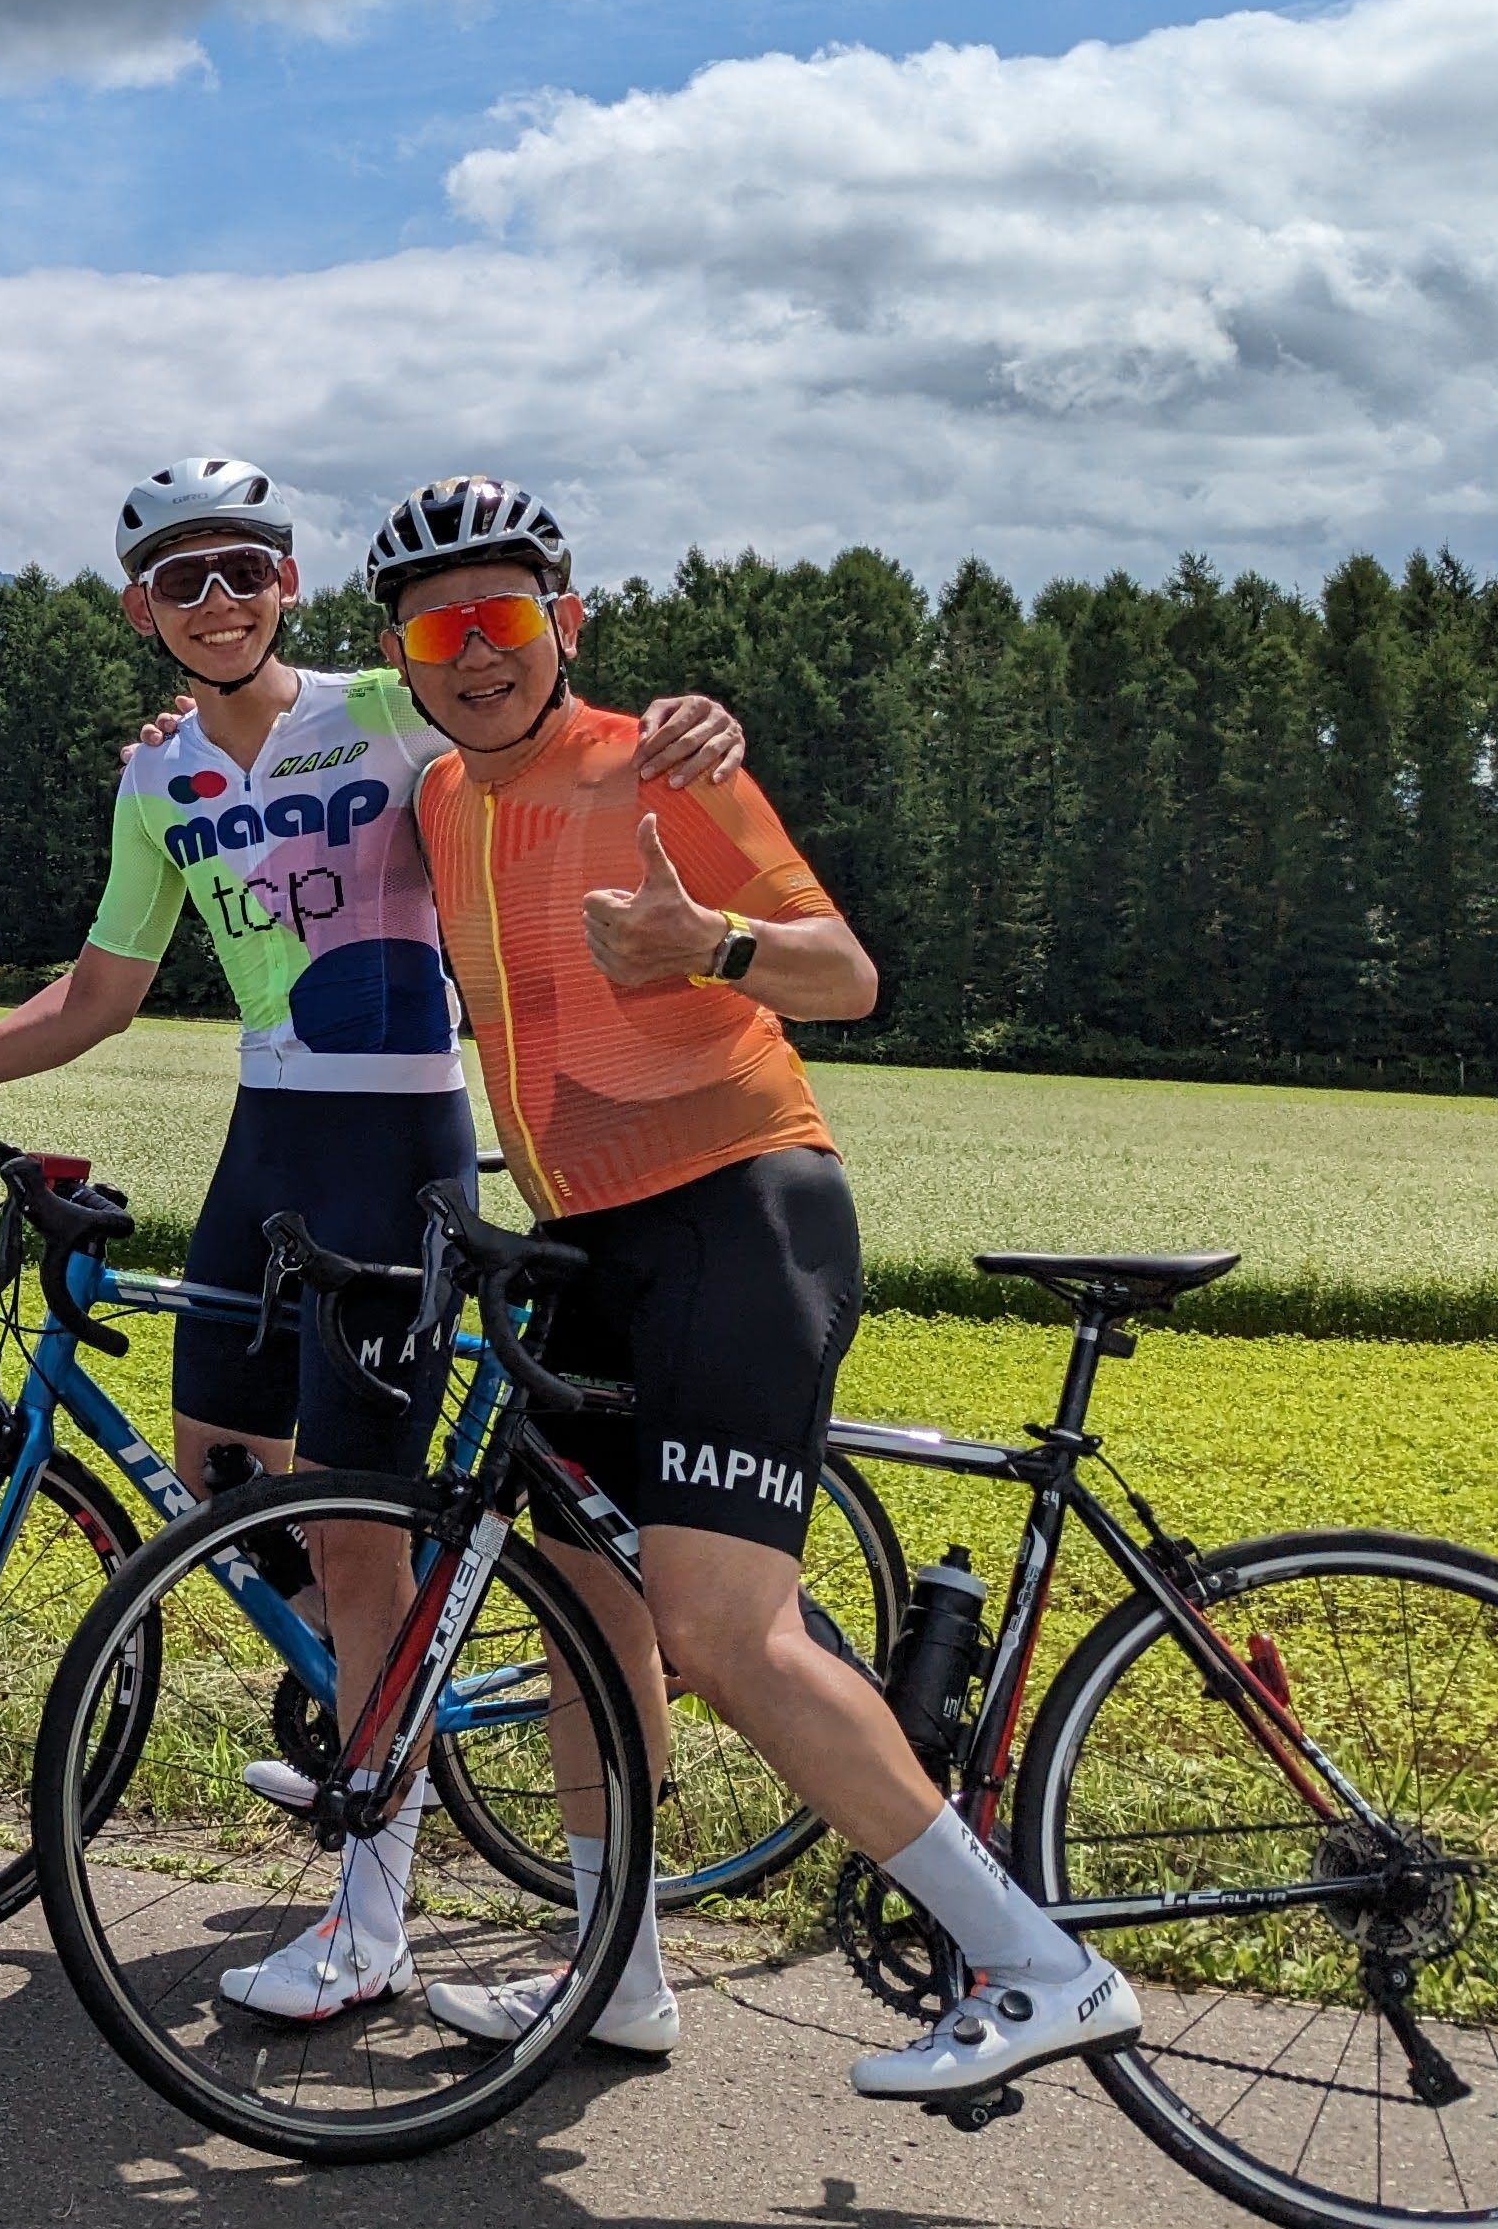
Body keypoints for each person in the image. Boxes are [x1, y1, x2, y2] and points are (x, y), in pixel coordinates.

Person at [0, 457, 745, 2025]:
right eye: (184, 580)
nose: (219, 599)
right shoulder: (157, 778)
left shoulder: (390, 709)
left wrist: (694, 725)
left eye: (246, 569)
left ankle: (371, 1908)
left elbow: (548, 717)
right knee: (222, 1464)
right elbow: (100, 991)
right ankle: (364, 1707)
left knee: (360, 1524)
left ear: (290, 585)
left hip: (397, 1135)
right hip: (268, 1142)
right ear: (141, 610)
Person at [370, 473, 1139, 2101]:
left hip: (736, 1208)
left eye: (505, 617)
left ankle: (1032, 1960)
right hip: (589, 1245)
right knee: (592, 1617)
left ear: (561, 624)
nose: (476, 650)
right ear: (404, 655)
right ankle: (614, 1974)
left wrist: (705, 946)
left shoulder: (657, 762)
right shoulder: (439, 796)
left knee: (720, 1630)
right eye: (442, 627)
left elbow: (846, 976)